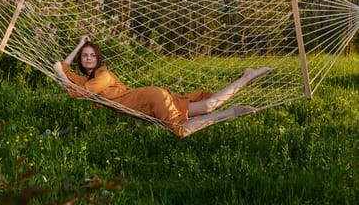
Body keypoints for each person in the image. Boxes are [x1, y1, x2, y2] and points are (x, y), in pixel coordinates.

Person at [53, 36, 273, 138]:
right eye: (85, 56)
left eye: (92, 55)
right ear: (82, 61)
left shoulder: (102, 76)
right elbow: (62, 68)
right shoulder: (90, 79)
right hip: (151, 98)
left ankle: (230, 112)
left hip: (150, 100)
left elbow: (77, 91)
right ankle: (247, 77)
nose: (89, 58)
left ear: (98, 58)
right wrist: (80, 45)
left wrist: (66, 75)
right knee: (205, 107)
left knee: (181, 131)